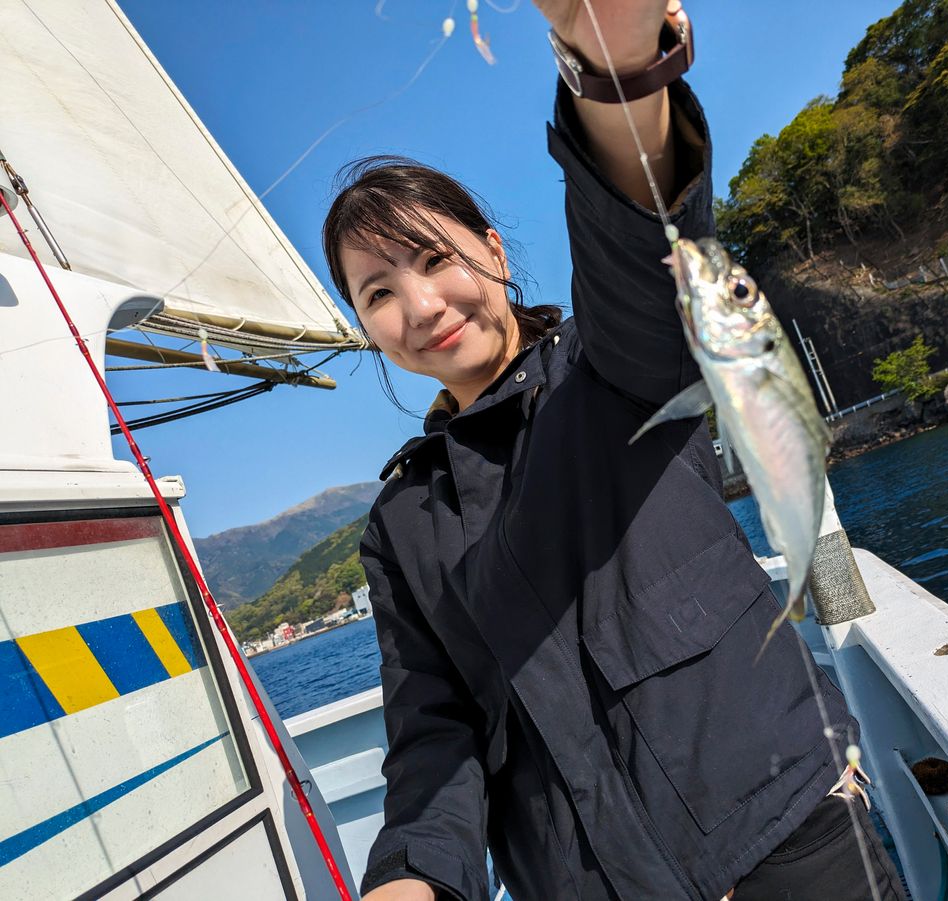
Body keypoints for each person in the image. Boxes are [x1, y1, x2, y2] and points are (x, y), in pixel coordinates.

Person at [321, 1, 904, 898]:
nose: (424, 306)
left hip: (791, 833)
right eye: (379, 292)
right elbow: (433, 734)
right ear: (366, 328)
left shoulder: (611, 362)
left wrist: (617, 64)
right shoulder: (400, 522)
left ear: (493, 248)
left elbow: (637, 233)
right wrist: (408, 876)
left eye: (437, 259)